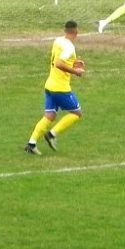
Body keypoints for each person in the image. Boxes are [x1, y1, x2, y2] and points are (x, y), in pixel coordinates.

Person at [25, 20, 85, 155]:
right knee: (77, 113)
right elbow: (58, 63)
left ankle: (31, 144)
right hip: (60, 88)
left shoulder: (58, 41)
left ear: (65, 30)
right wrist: (76, 71)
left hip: (49, 85)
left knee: (50, 115)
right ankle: (51, 134)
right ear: (76, 32)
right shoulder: (70, 47)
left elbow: (58, 59)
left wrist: (74, 63)